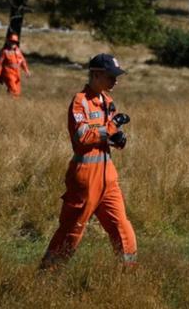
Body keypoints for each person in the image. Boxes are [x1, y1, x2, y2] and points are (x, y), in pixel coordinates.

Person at [41, 53, 137, 269]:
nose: (116, 80)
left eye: (117, 75)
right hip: (84, 178)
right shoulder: (80, 101)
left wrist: (118, 139)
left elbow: (107, 134)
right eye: (111, 75)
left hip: (108, 177)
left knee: (122, 228)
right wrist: (112, 128)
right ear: (96, 74)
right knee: (71, 232)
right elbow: (82, 137)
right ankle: (47, 277)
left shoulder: (108, 102)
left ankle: (130, 276)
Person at [0, 33, 31, 98]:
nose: (13, 43)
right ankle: (13, 101)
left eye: (14, 42)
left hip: (17, 73)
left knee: (17, 91)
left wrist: (26, 71)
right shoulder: (5, 52)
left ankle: (10, 103)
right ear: (8, 42)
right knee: (14, 90)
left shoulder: (18, 51)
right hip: (8, 73)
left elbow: (23, 61)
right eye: (11, 41)